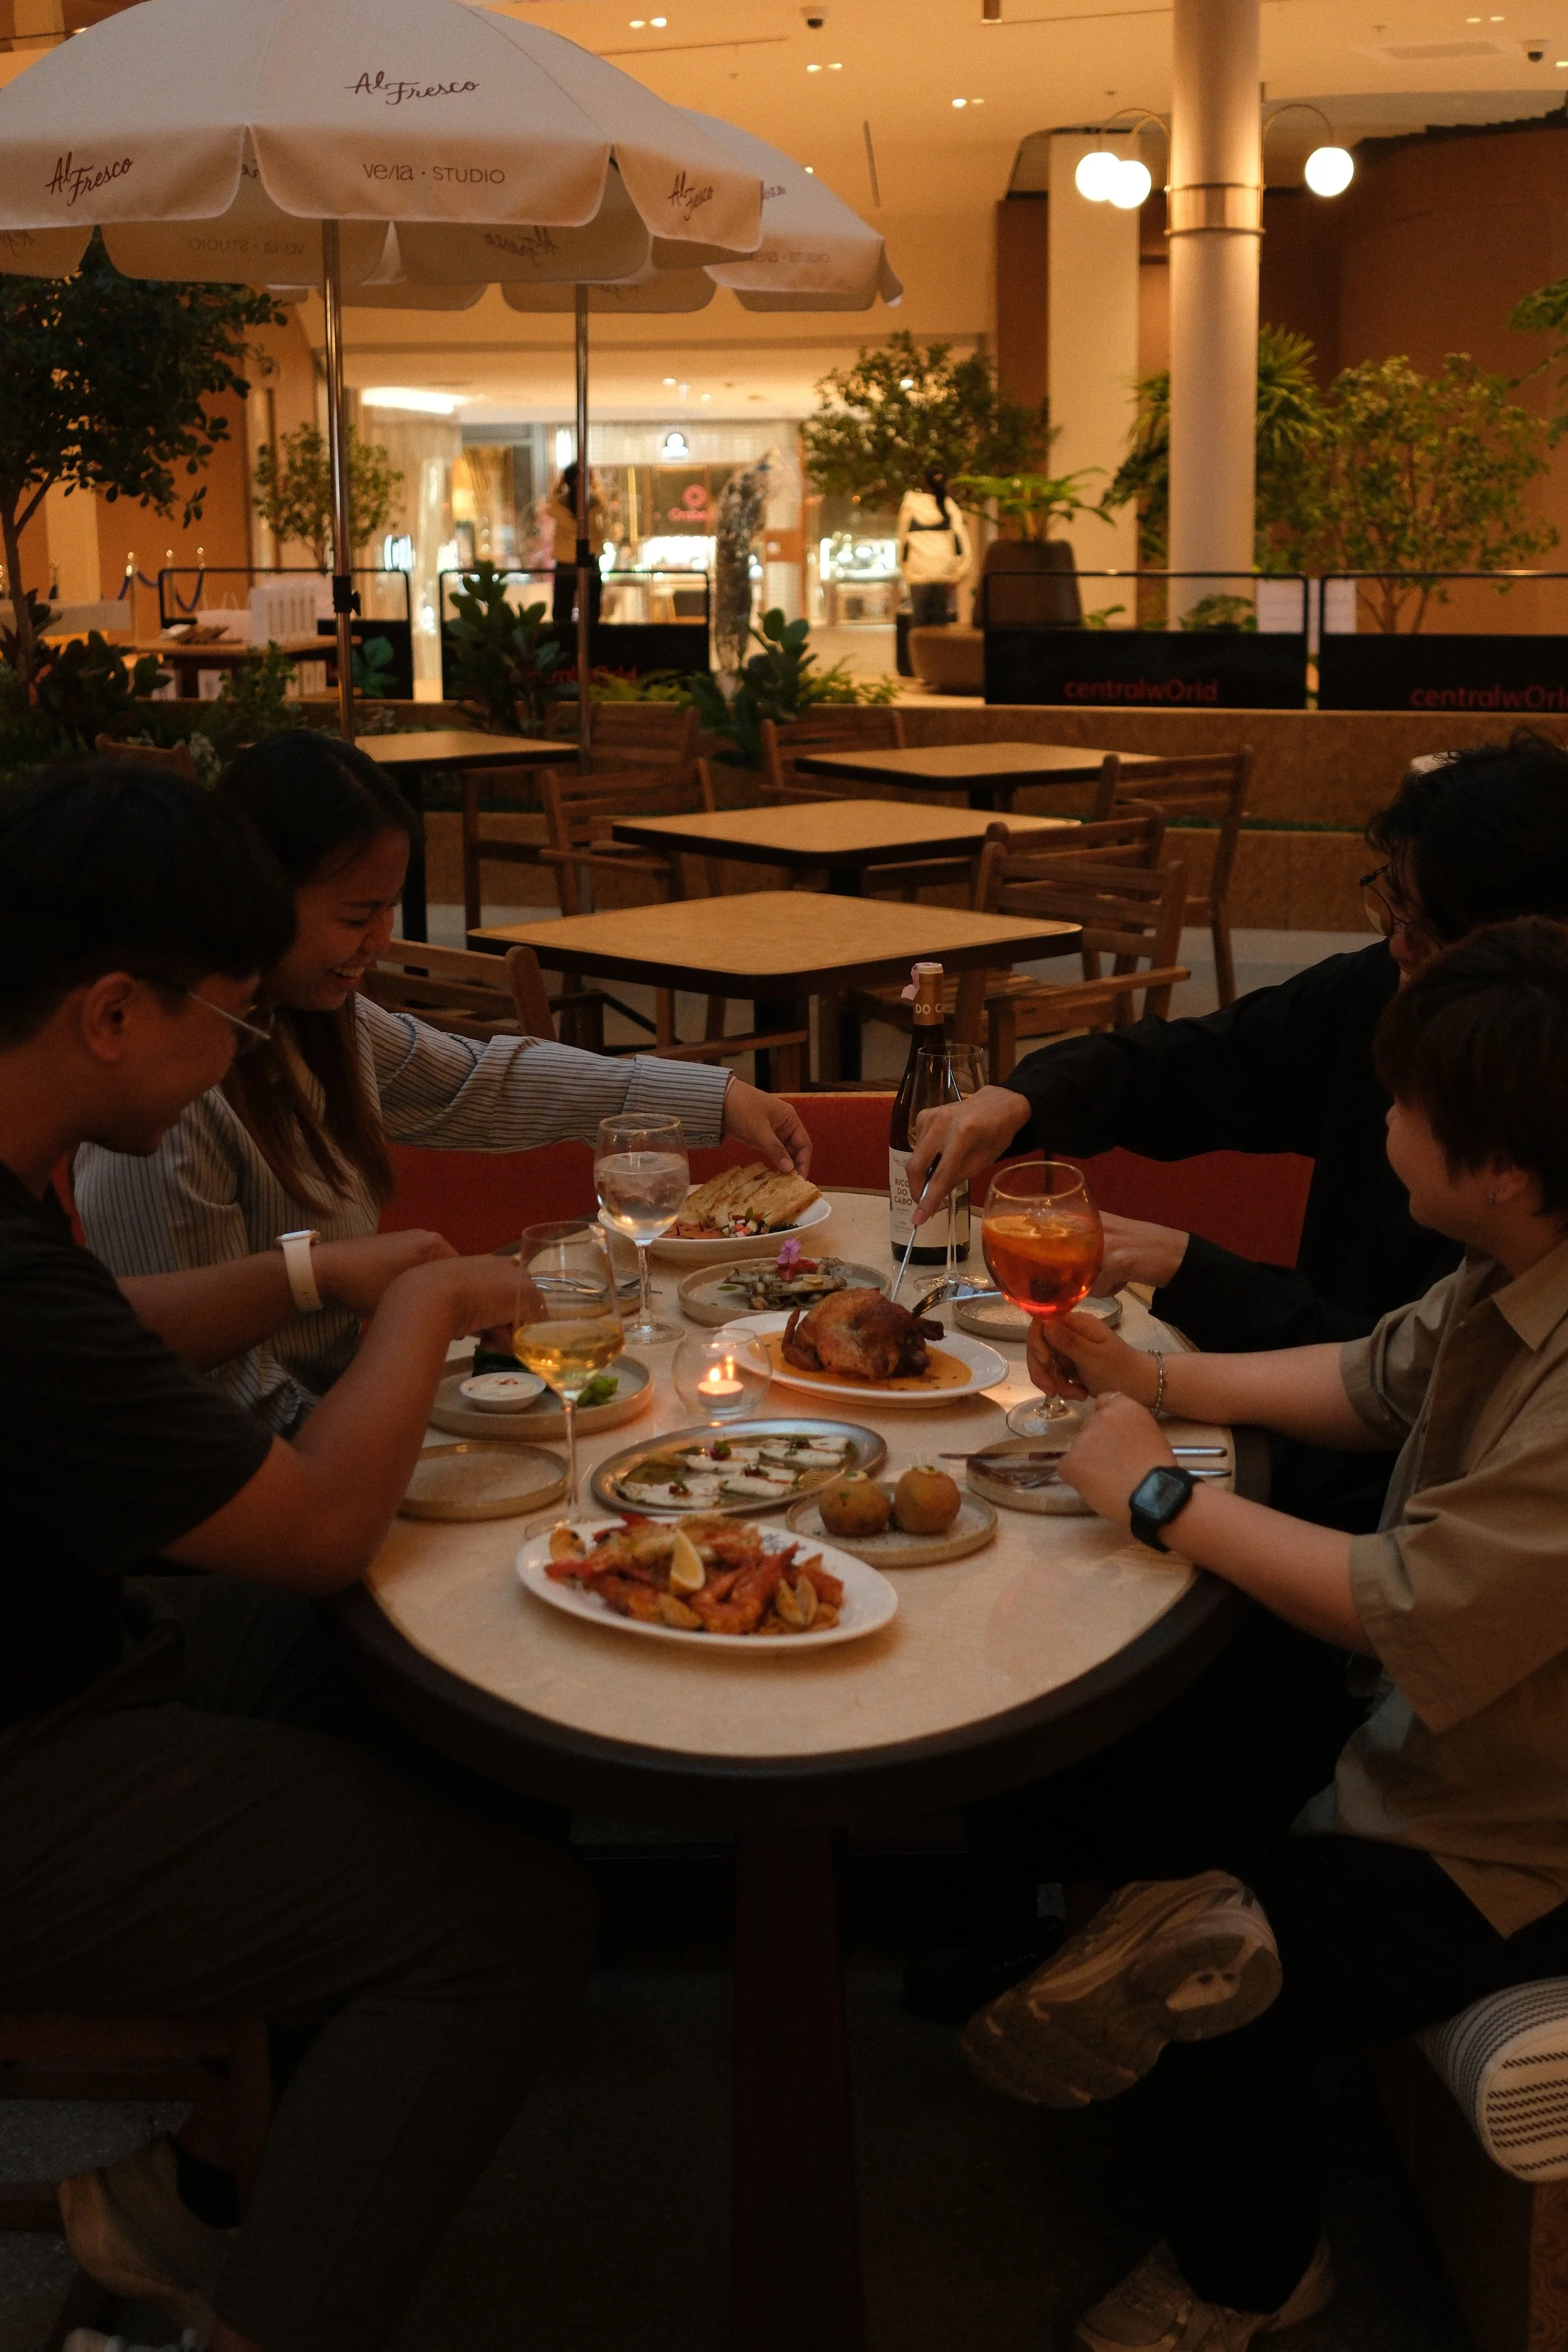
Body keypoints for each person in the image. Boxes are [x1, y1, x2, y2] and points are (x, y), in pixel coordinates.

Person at [0, 759, 594, 2352]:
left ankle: (215, 2183)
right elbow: (316, 1523)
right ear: (114, 1011)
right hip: (33, 1762)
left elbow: (91, 1335)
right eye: (230, 1014)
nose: (241, 1054)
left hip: (79, 1655)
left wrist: (308, 1268)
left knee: (423, 1660)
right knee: (504, 1921)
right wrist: (411, 1306)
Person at [961, 916, 1568, 2352]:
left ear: (1494, 1161)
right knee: (1146, 1755)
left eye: (1405, 1103)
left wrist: (1157, 1489)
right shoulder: (1518, 1256)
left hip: (1516, 1835)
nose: (1381, 1119)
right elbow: (1372, 1378)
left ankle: (1251, 2273)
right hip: (1438, 1724)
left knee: (1188, 1968)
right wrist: (1149, 1372)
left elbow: (1407, 1604)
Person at [906, 729, 1568, 1532]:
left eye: (1423, 932)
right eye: (1387, 904)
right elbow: (1199, 1062)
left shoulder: (1529, 1150)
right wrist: (1022, 1099)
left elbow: (1404, 1588)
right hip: (1310, 1439)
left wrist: (1189, 1276)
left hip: (1371, 1505)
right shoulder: (1380, 988)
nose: (1392, 943)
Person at [76, 730, 810, 1433]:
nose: (382, 939)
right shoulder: (171, 1095)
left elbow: (482, 1082)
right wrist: (410, 1382)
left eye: (389, 908)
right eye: (358, 914)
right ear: (255, 895)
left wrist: (714, 1097)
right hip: (279, 1487)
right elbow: (213, 1409)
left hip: (343, 1439)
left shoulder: (326, 1025)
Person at [896, 464, 972, 629]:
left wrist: (906, 571)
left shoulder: (910, 505)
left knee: (920, 626)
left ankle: (919, 655)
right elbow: (963, 543)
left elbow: (903, 541)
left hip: (918, 573)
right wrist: (959, 574)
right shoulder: (950, 507)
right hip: (944, 573)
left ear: (924, 481)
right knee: (940, 626)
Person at [548, 460, 608, 635]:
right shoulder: (595, 504)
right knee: (591, 612)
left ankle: (563, 647)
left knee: (562, 612)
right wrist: (594, 484)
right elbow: (604, 502)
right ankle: (590, 647)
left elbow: (550, 503)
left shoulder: (558, 506)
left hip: (565, 564)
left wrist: (560, 485)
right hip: (590, 562)